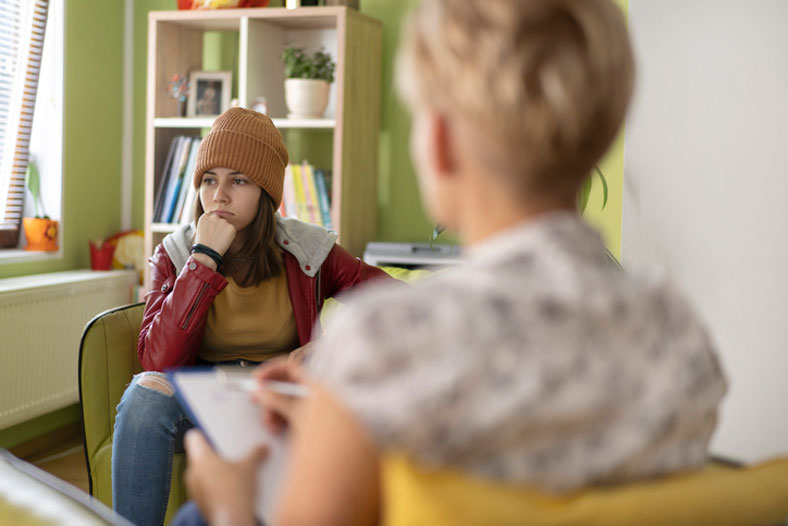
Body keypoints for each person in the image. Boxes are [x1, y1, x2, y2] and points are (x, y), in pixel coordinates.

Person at [177, 1, 728, 524]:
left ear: (440, 141)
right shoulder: (677, 333)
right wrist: (337, 418)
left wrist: (229, 504)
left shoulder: (389, 338)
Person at [111, 107, 392, 526]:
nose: (218, 196)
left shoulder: (309, 251)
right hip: (203, 389)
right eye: (209, 180)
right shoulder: (174, 252)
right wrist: (203, 260)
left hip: (275, 390)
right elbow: (157, 360)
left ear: (265, 192)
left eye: (237, 181)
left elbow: (395, 308)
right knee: (144, 396)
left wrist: (329, 346)